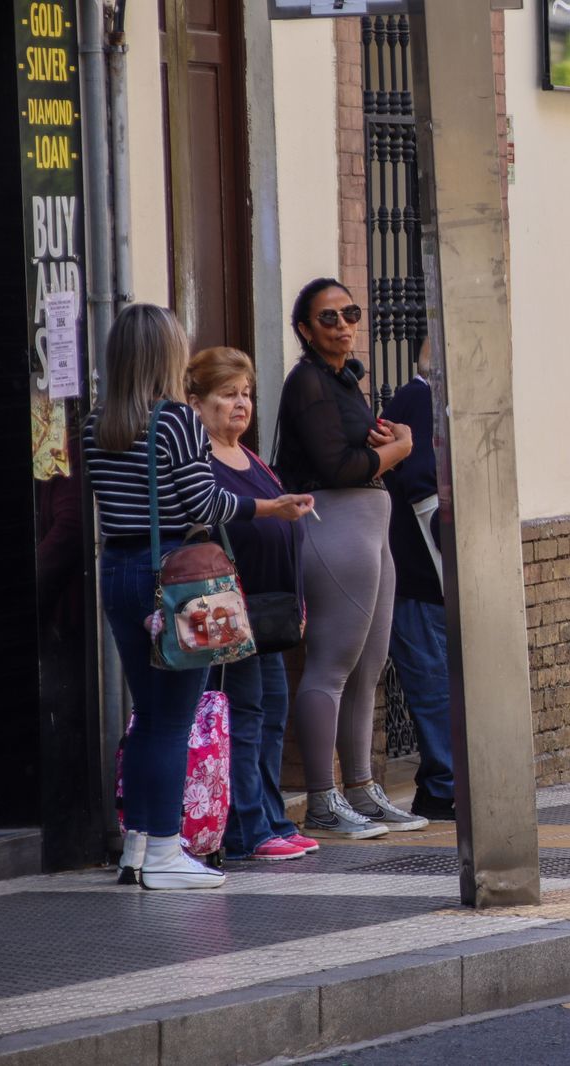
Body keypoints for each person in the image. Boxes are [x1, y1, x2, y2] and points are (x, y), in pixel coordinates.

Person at [84, 304, 314, 889]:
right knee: (171, 719)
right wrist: (270, 506)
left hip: (118, 570)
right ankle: (164, 850)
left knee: (147, 716)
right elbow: (205, 506)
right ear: (167, 355)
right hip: (176, 576)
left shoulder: (95, 423)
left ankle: (136, 845)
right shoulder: (176, 421)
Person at [274, 278, 426, 837]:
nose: (343, 326)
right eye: (329, 318)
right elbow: (337, 467)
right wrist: (398, 449)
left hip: (370, 528)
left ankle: (361, 788)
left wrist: (387, 446)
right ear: (305, 330)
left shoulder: (344, 382)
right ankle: (321, 799)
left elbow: (359, 455)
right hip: (334, 527)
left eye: (350, 314)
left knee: (369, 668)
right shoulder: (308, 383)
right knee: (332, 666)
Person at [187, 347, 320, 860]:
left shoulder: (253, 458)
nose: (241, 404)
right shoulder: (200, 464)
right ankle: (247, 828)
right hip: (229, 614)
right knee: (244, 714)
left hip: (270, 611)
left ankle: (272, 817)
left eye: (246, 394)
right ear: (196, 402)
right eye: (228, 395)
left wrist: (300, 603)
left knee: (270, 711)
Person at [381, 339, 456, 821]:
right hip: (420, 578)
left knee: (442, 685)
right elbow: (426, 498)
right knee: (436, 688)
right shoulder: (419, 401)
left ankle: (444, 783)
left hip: (427, 578)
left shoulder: (428, 403)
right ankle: (446, 786)